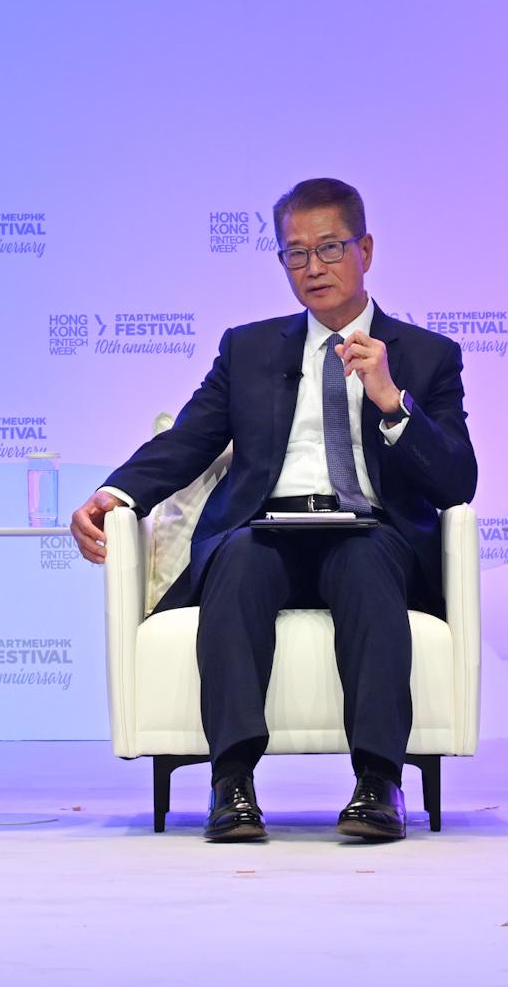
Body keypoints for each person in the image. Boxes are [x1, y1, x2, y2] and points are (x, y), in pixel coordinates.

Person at [71, 177, 476, 844]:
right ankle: (231, 784)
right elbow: (189, 441)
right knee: (237, 563)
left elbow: (458, 481)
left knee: (368, 564)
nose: (313, 267)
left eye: (330, 248)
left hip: (370, 532)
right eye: (296, 253)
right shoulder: (249, 349)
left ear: (366, 250)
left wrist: (392, 403)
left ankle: (379, 783)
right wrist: (116, 494)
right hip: (266, 528)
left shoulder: (427, 357)